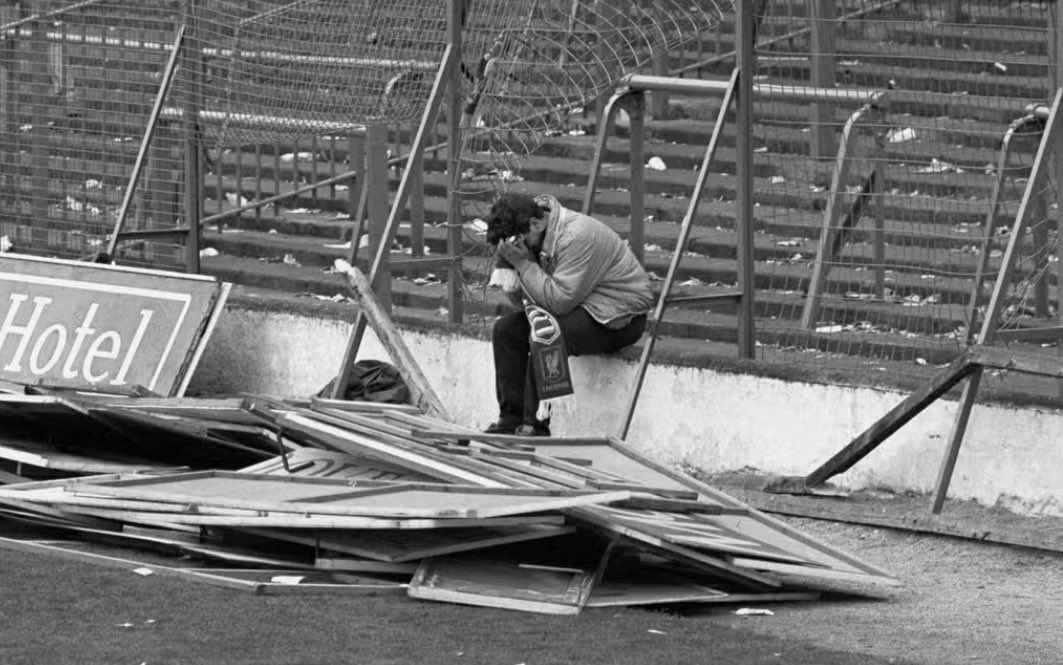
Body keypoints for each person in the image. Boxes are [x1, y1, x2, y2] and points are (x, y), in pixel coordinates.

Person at [484, 192, 654, 436]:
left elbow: (558, 302)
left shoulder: (577, 235)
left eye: (518, 240)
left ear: (536, 223)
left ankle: (536, 426)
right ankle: (510, 420)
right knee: (506, 331)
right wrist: (510, 266)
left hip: (618, 318)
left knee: (547, 333)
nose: (516, 247)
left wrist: (522, 264)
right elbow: (527, 304)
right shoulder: (529, 239)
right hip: (578, 306)